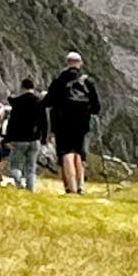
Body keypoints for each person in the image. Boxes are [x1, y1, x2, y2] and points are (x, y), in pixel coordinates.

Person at [44, 51, 101, 194]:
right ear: (80, 64)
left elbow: (48, 101)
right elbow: (96, 107)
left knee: (66, 154)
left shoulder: (59, 81)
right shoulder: (87, 82)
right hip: (81, 124)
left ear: (67, 63)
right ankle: (81, 185)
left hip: (62, 123)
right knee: (79, 154)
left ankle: (71, 187)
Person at [1, 76, 48, 191]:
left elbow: (12, 122)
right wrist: (43, 139)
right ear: (33, 87)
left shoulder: (17, 103)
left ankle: (19, 184)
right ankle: (30, 189)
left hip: (20, 139)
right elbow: (44, 122)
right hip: (34, 140)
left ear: (22, 87)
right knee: (31, 168)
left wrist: (7, 138)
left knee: (15, 165)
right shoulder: (39, 102)